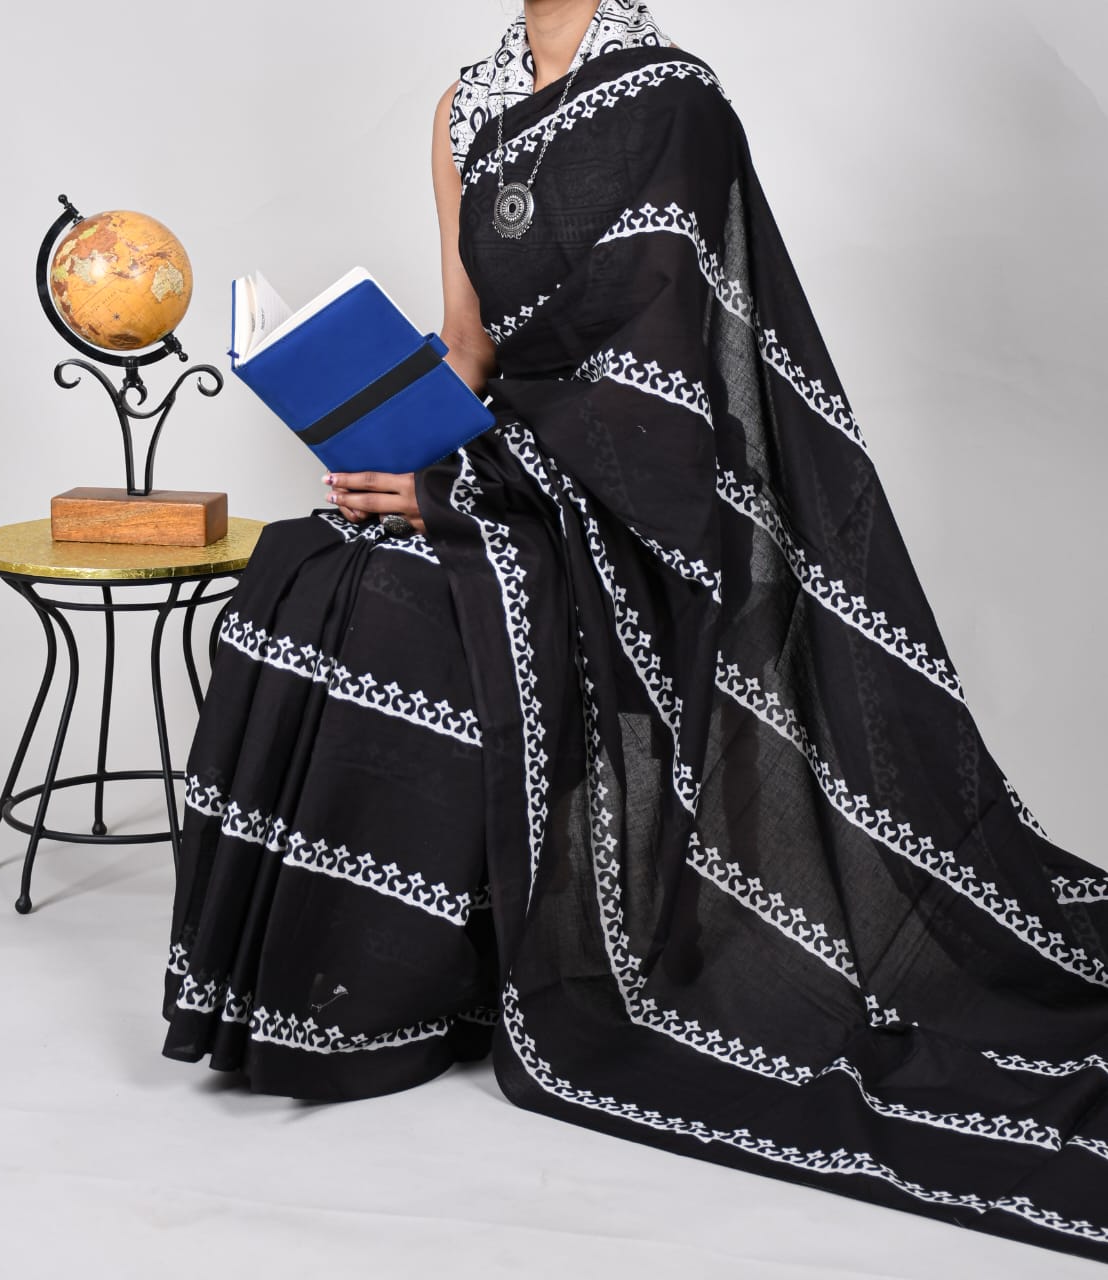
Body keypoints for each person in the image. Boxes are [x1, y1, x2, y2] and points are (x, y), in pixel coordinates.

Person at [162, 0, 1108, 1263]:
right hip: (504, 473)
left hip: (633, 507)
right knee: (306, 566)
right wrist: (384, 444)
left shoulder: (671, 98)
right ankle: (305, 997)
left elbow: (663, 376)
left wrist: (471, 490)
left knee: (396, 608)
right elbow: (468, 346)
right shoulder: (461, 108)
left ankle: (389, 999)